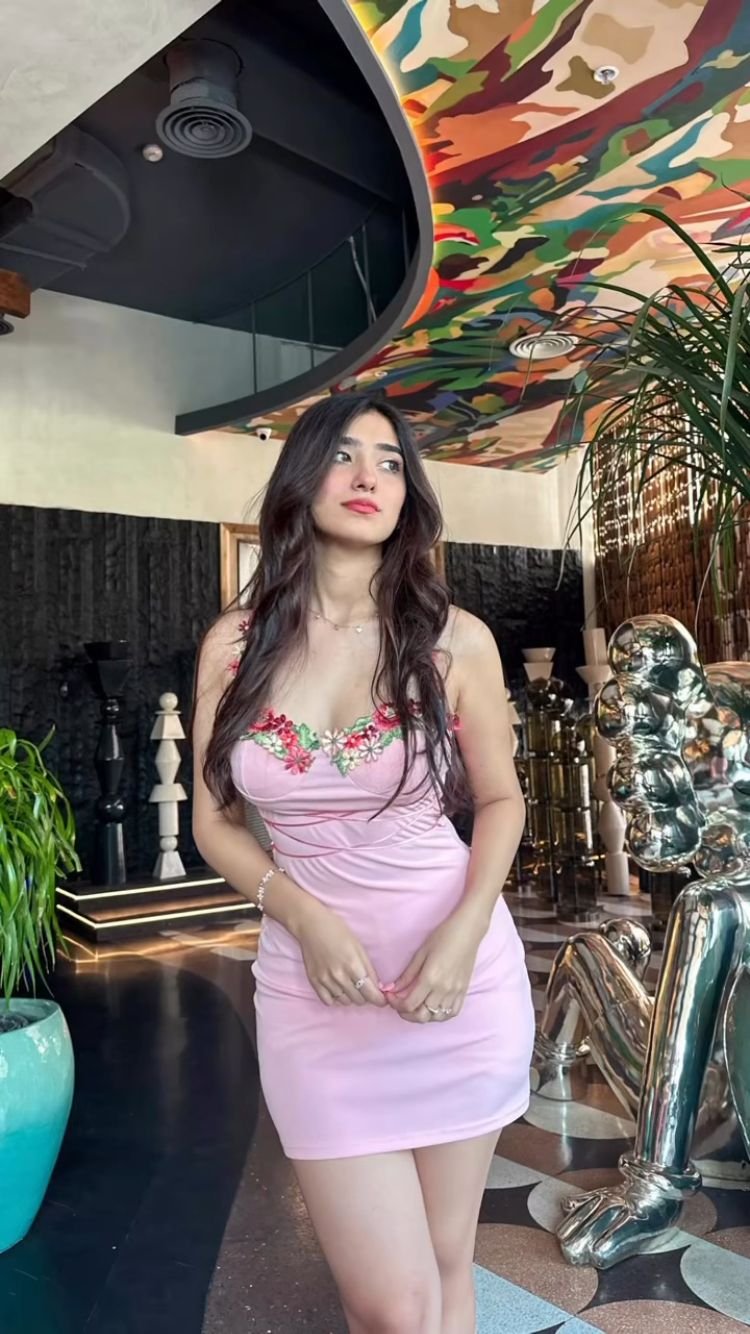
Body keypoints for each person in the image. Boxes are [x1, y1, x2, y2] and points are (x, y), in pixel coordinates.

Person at [192, 392, 534, 1334]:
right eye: (344, 456)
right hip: (314, 1005)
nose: (368, 478)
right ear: (302, 480)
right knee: (390, 1303)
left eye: (390, 463)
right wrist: (301, 914)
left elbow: (501, 801)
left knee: (446, 1264)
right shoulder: (235, 644)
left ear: (409, 494)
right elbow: (215, 823)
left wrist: (465, 934)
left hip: (456, 986)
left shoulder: (455, 639)